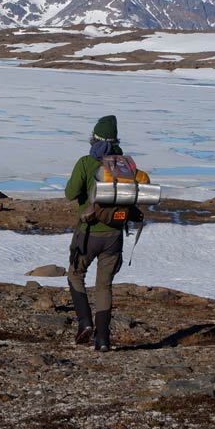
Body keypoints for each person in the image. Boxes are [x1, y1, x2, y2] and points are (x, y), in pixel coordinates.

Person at [64, 115, 124, 352]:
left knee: (75, 274)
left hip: (88, 233)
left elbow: (70, 193)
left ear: (94, 138)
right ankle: (103, 339)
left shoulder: (86, 163)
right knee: (104, 286)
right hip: (114, 235)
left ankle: (84, 322)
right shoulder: (125, 164)